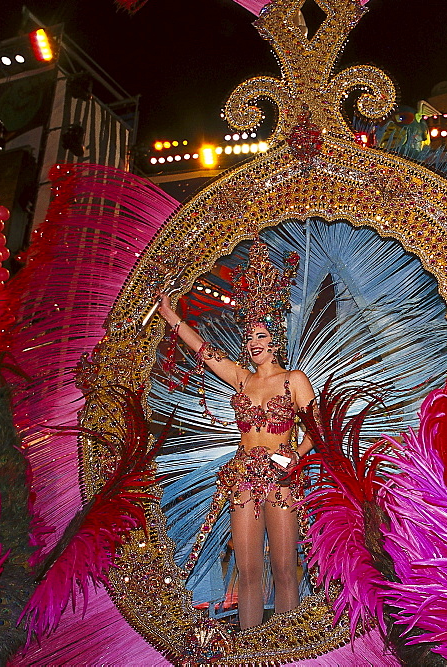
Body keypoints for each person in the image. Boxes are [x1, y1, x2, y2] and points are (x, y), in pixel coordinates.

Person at [158, 241, 315, 630]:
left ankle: (285, 651)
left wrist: (296, 458)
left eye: (261, 337)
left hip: (281, 479)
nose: (254, 344)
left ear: (274, 341)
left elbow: (318, 431)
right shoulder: (242, 379)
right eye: (249, 338)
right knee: (247, 571)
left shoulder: (293, 380)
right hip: (243, 477)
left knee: (282, 567)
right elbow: (206, 352)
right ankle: (247, 649)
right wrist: (171, 316)